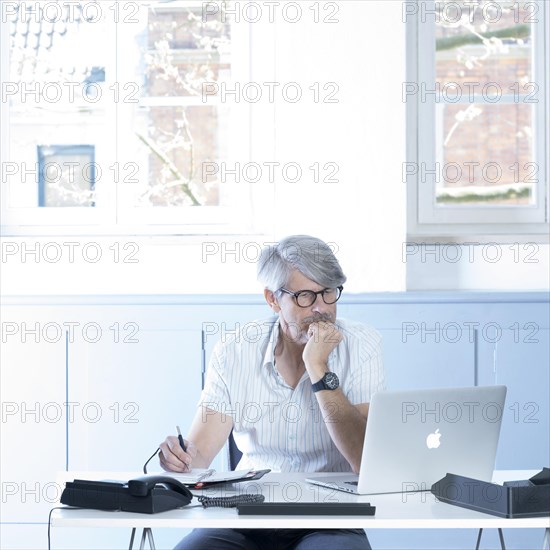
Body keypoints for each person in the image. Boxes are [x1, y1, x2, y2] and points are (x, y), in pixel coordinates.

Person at [159, 235, 385, 550]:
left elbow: (364, 459)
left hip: (331, 519)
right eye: (305, 295)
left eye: (328, 293)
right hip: (246, 516)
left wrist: (318, 367)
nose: (321, 308)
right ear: (273, 299)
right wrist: (179, 458)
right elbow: (197, 458)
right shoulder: (235, 350)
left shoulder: (361, 345)